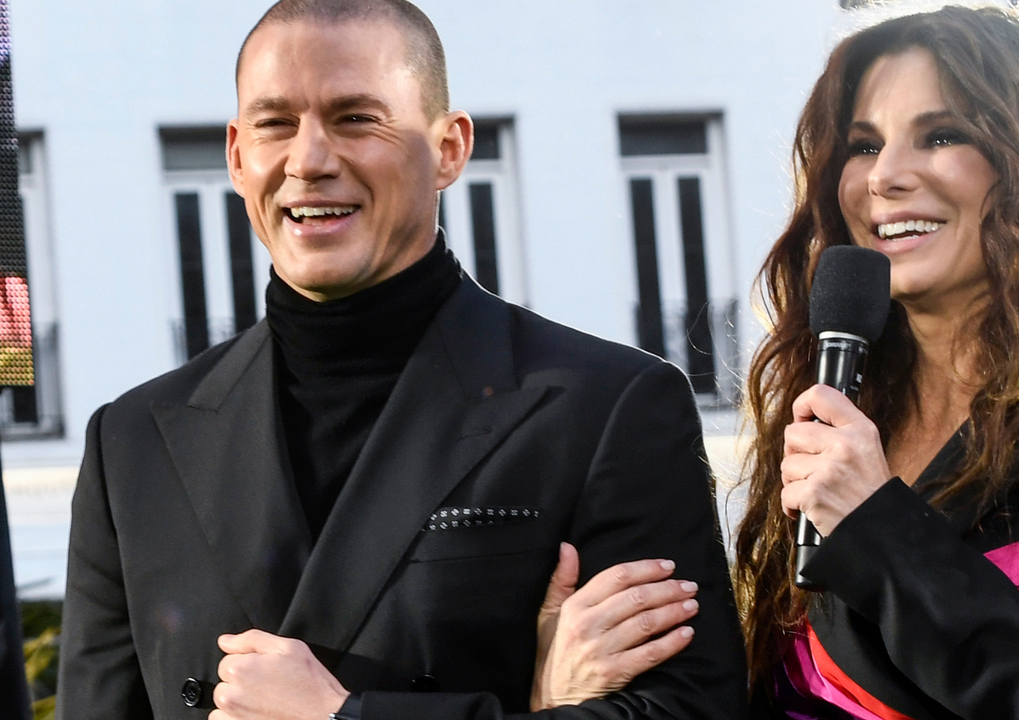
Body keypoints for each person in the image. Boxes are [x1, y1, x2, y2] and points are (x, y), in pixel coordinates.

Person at [548, 4, 1019, 720]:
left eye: (941, 135)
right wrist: (572, 687)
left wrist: (877, 526)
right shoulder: (834, 401)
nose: (884, 177)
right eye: (863, 146)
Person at [55, 1, 747, 718]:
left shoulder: (611, 407)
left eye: (356, 118)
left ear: (449, 148)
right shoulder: (131, 443)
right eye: (274, 124)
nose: (310, 160)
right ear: (236, 155)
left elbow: (692, 710)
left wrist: (344, 718)